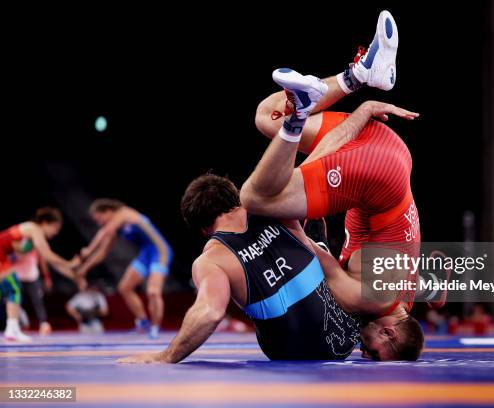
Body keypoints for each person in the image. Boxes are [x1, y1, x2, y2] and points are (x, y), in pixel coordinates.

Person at [240, 10, 424, 360]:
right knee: (257, 198)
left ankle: (358, 74)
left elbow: (437, 281)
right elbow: (305, 247)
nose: (361, 347)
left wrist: (361, 112)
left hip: (391, 147)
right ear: (388, 333)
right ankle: (302, 112)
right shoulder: (368, 298)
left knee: (267, 117)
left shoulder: (407, 297)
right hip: (376, 173)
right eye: (371, 351)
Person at [119, 174, 362, 363]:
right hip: (344, 337)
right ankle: (315, 242)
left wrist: (166, 356)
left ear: (203, 229)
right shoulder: (273, 207)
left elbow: (210, 313)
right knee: (308, 239)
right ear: (235, 198)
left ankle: (313, 242)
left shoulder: (210, 260)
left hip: (287, 352)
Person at [76, 199, 172, 339]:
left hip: (160, 251)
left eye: (99, 218)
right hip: (145, 254)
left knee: (153, 292)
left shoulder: (124, 212)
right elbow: (102, 253)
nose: (99, 222)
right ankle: (142, 322)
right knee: (125, 287)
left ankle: (155, 328)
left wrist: (88, 250)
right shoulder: (116, 228)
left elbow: (105, 231)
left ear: (108, 211)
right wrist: (84, 268)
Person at [0, 207, 79, 341]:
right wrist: (70, 263)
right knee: (14, 288)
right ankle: (11, 329)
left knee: (11, 290)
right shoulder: (33, 229)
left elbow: (51, 263)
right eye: (55, 228)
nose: (55, 233)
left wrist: (74, 276)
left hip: (3, 257)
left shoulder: (33, 236)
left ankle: (11, 329)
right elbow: (49, 255)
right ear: (46, 223)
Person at [13, 250, 53, 336]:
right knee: (14, 302)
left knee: (38, 301)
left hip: (32, 276)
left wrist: (46, 276)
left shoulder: (35, 243)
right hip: (17, 277)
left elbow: (42, 260)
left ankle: (43, 324)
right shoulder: (15, 240)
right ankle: (16, 324)